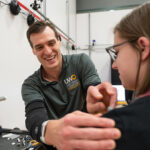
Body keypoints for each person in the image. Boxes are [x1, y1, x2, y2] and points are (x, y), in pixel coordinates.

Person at [21, 20, 121, 150]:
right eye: (39, 47)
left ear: (59, 41)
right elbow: (34, 118)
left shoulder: (80, 61)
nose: (48, 51)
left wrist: (97, 94)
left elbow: (93, 86)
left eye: (51, 43)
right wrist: (51, 131)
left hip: (88, 139)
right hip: (56, 144)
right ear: (33, 50)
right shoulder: (30, 85)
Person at [87, 2, 150, 150]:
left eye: (117, 53)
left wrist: (103, 122)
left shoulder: (119, 129)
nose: (114, 65)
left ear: (143, 48)